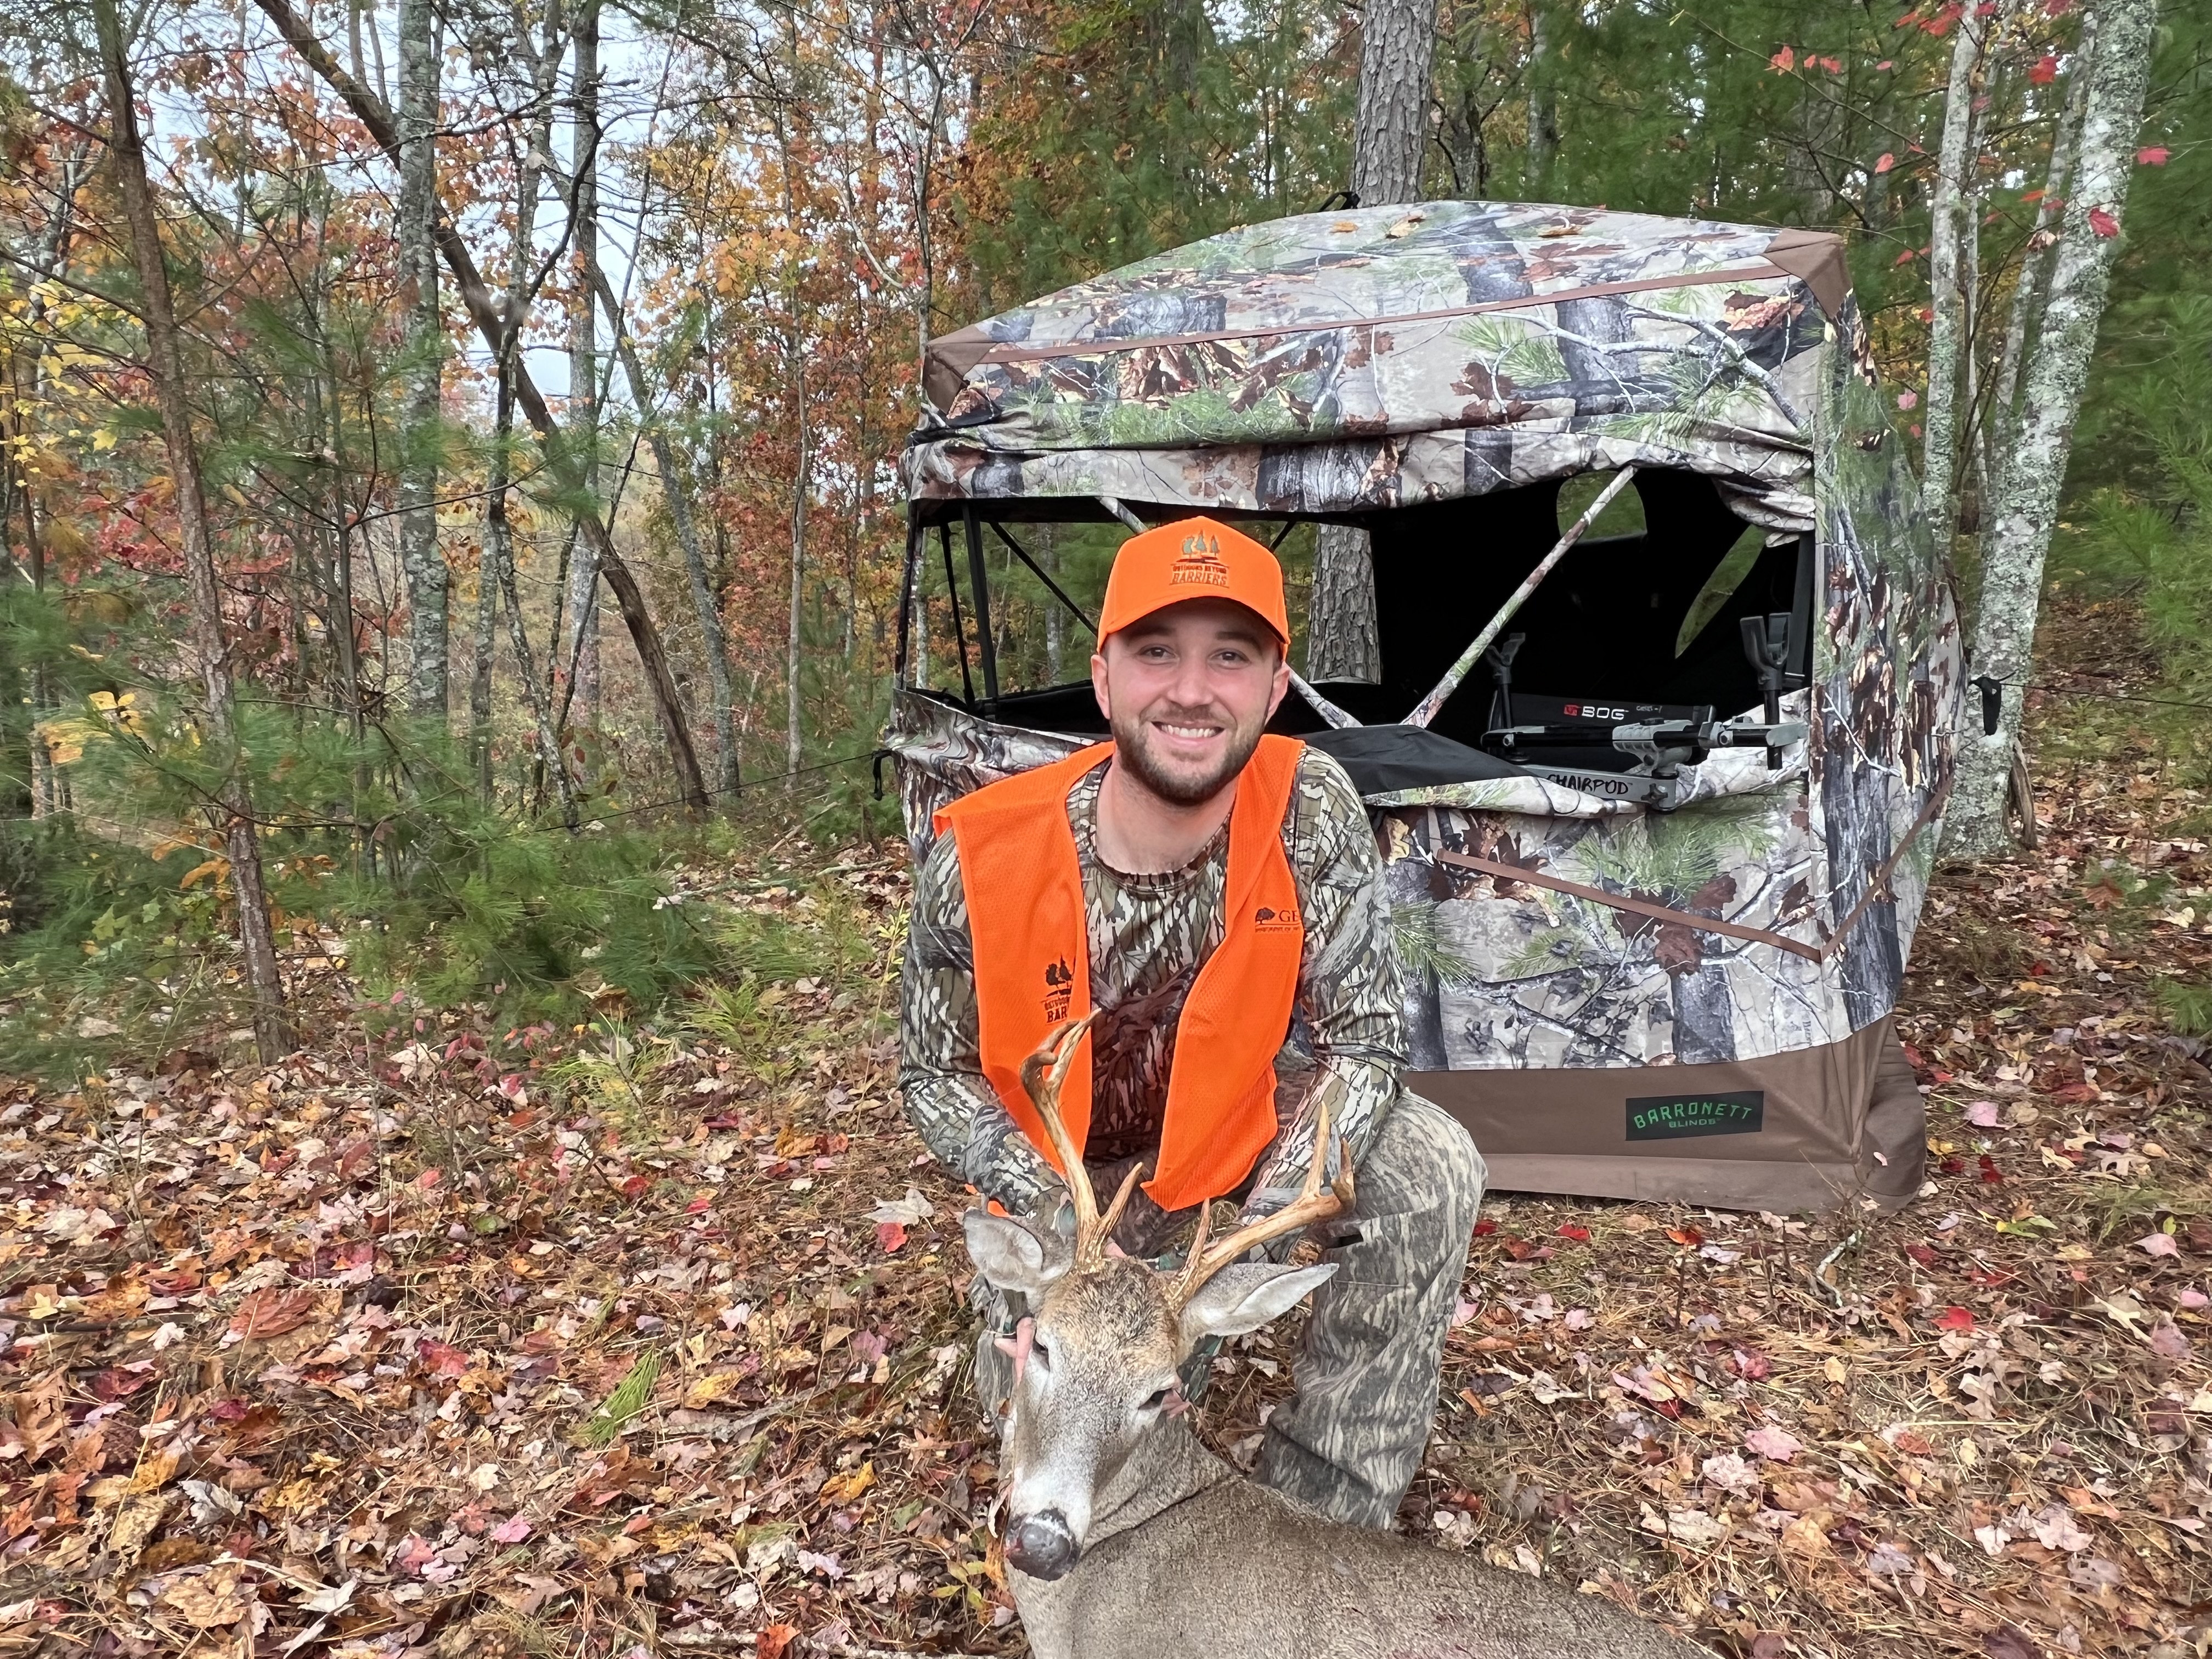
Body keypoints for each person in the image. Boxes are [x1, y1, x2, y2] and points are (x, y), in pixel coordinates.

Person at [899, 515, 1487, 1530]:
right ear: (1104, 678)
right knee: (1039, 1409)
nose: (1190, 689)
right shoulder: (985, 853)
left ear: (1272, 688)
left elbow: (1366, 1041)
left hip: (1228, 1165)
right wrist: (1049, 1215)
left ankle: (1325, 1512)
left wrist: (1255, 1234)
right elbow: (933, 1075)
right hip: (1068, 1198)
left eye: (1232, 656)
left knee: (1432, 1166)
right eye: (1156, 651)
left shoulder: (1310, 808)